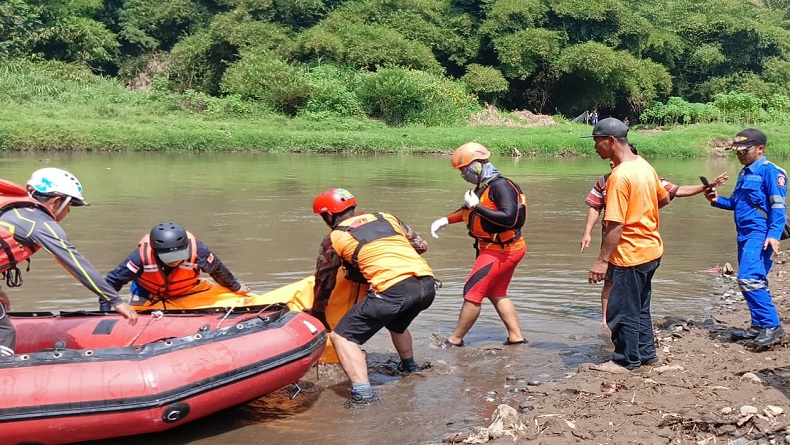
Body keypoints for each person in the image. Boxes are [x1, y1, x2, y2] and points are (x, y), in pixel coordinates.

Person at [310, 188, 436, 406]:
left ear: (328, 216)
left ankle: (362, 394)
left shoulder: (334, 237)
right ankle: (409, 367)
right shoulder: (387, 217)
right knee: (397, 325)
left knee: (342, 338)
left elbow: (324, 280)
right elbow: (421, 246)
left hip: (393, 289)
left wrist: (318, 313)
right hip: (426, 285)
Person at [0, 168, 138, 356]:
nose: (69, 211)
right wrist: (115, 300)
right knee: (4, 333)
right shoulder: (40, 224)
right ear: (56, 201)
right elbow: (75, 263)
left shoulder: (12, 211)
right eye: (69, 205)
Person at [580, 154, 729, 324]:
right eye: (610, 160)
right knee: (609, 280)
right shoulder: (605, 181)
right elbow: (595, 206)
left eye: (615, 159)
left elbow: (676, 191)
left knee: (635, 283)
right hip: (612, 240)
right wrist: (587, 232)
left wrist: (705, 187)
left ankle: (633, 321)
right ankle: (606, 320)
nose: (612, 162)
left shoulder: (647, 177)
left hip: (638, 242)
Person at [583, 118, 670, 373]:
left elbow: (615, 226)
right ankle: (646, 355)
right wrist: (641, 214)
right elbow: (662, 200)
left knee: (622, 311)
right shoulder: (644, 166)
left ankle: (625, 361)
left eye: (597, 142)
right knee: (641, 307)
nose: (595, 148)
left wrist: (601, 261)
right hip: (651, 249)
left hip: (629, 253)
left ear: (611, 141)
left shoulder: (619, 176)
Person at [430, 142, 527, 347]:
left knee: (472, 291)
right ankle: (516, 337)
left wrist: (478, 207)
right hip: (503, 248)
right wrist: (446, 220)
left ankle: (454, 340)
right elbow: (469, 211)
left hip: (500, 250)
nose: (462, 175)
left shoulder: (501, 187)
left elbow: (509, 218)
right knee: (496, 292)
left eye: (464, 170)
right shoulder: (485, 186)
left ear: (475, 166)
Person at [704, 128, 787, 347]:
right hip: (744, 234)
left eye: (744, 151)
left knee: (749, 278)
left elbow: (778, 207)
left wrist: (774, 236)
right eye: (737, 152)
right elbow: (735, 203)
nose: (740, 155)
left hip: (760, 234)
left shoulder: (772, 172)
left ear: (761, 149)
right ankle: (759, 326)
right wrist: (715, 199)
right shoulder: (745, 172)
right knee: (752, 280)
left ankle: (772, 326)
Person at [103, 222, 249, 310]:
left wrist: (235, 286)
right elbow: (112, 281)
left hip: (186, 291)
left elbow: (217, 270)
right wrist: (106, 310)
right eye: (169, 258)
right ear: (155, 251)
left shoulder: (199, 251)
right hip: (147, 292)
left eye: (178, 256)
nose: (174, 261)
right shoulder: (139, 258)